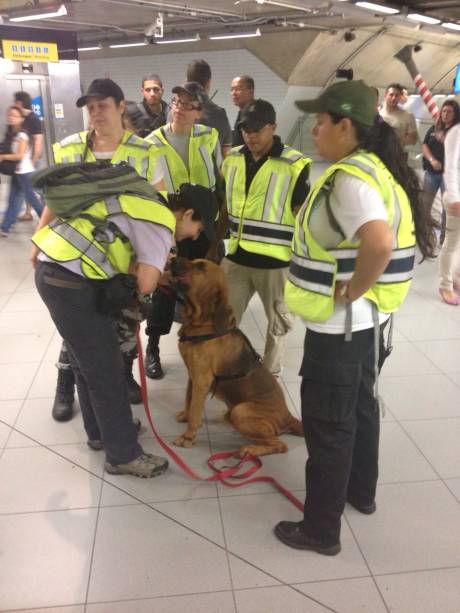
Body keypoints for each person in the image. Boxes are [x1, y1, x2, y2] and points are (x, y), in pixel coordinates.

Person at [273, 80, 436, 555]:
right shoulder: (377, 169)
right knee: (360, 409)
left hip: (338, 327)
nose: (315, 130)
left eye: (321, 121)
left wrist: (357, 286)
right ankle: (359, 493)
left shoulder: (350, 180)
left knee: (328, 425)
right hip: (367, 326)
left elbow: (380, 243)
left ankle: (320, 530)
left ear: (346, 126)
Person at [33, 78, 161, 421]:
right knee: (77, 332)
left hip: (123, 261)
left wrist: (153, 258)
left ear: (121, 107)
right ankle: (65, 385)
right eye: (90, 108)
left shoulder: (145, 153)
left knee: (124, 325)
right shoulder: (70, 148)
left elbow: (158, 206)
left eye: (102, 105)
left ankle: (122, 377)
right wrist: (38, 238)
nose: (95, 114)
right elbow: (55, 202)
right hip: (74, 259)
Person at [220, 99, 311, 376]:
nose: (251, 134)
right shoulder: (232, 159)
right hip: (236, 257)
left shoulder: (294, 165)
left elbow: (303, 217)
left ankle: (269, 374)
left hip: (276, 263)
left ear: (273, 126)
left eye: (258, 128)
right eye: (246, 128)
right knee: (223, 319)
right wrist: (216, 244)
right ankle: (227, 370)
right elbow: (225, 205)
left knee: (277, 325)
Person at [143, 81, 223, 379]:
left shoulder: (209, 137)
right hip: (171, 227)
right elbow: (151, 190)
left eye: (187, 104)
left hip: (201, 227)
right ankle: (153, 346)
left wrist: (215, 228)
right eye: (176, 101)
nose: (178, 108)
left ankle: (204, 344)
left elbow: (217, 182)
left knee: (202, 286)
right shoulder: (151, 142)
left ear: (199, 112)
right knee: (164, 291)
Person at [421, 99, 460, 249]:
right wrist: (431, 160)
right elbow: (424, 145)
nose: (445, 114)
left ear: (455, 114)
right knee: (425, 205)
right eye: (443, 110)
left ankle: (445, 239)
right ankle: (425, 234)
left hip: (448, 177)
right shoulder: (434, 129)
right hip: (431, 174)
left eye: (449, 111)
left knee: (447, 210)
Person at [0, 105, 43, 237]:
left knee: (32, 199)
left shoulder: (22, 134)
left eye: (15, 115)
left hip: (24, 172)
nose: (11, 118)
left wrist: (2, 157)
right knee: (13, 199)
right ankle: (5, 227)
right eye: (10, 115)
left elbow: (19, 155)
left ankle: (49, 223)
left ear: (21, 118)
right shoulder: (13, 133)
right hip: (18, 172)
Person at [186, 59, 232, 156]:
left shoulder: (174, 112)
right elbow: (226, 154)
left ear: (186, 81)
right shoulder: (220, 114)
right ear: (208, 83)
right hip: (210, 170)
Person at [439, 114, 460, 305]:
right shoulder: (456, 132)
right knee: (451, 243)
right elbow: (450, 168)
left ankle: (456, 278)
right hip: (456, 198)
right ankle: (445, 285)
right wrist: (454, 198)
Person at [14, 91, 44, 222]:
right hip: (25, 161)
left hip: (31, 161)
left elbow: (38, 141)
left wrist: (33, 161)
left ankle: (44, 215)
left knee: (32, 190)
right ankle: (28, 212)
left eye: (15, 102)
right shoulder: (25, 119)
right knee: (27, 190)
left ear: (20, 103)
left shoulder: (34, 119)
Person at [379, 83, 418, 148]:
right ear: (385, 95)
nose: (393, 98)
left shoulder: (408, 116)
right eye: (391, 95)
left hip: (396, 155)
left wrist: (394, 141)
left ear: (400, 97)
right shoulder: (378, 114)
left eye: (397, 95)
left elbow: (413, 140)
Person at [230, 75, 255, 146]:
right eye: (232, 89)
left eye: (238, 89)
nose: (233, 93)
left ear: (251, 92)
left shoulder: (255, 114)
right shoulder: (242, 112)